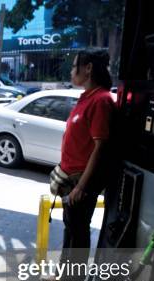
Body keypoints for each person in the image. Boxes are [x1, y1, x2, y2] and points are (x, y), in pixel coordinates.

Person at [60, 49, 115, 268]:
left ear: (88, 68)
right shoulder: (86, 98)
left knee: (78, 233)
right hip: (70, 178)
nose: (72, 71)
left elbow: (100, 148)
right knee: (70, 228)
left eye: (75, 66)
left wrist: (81, 186)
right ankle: (63, 274)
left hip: (80, 181)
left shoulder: (101, 101)